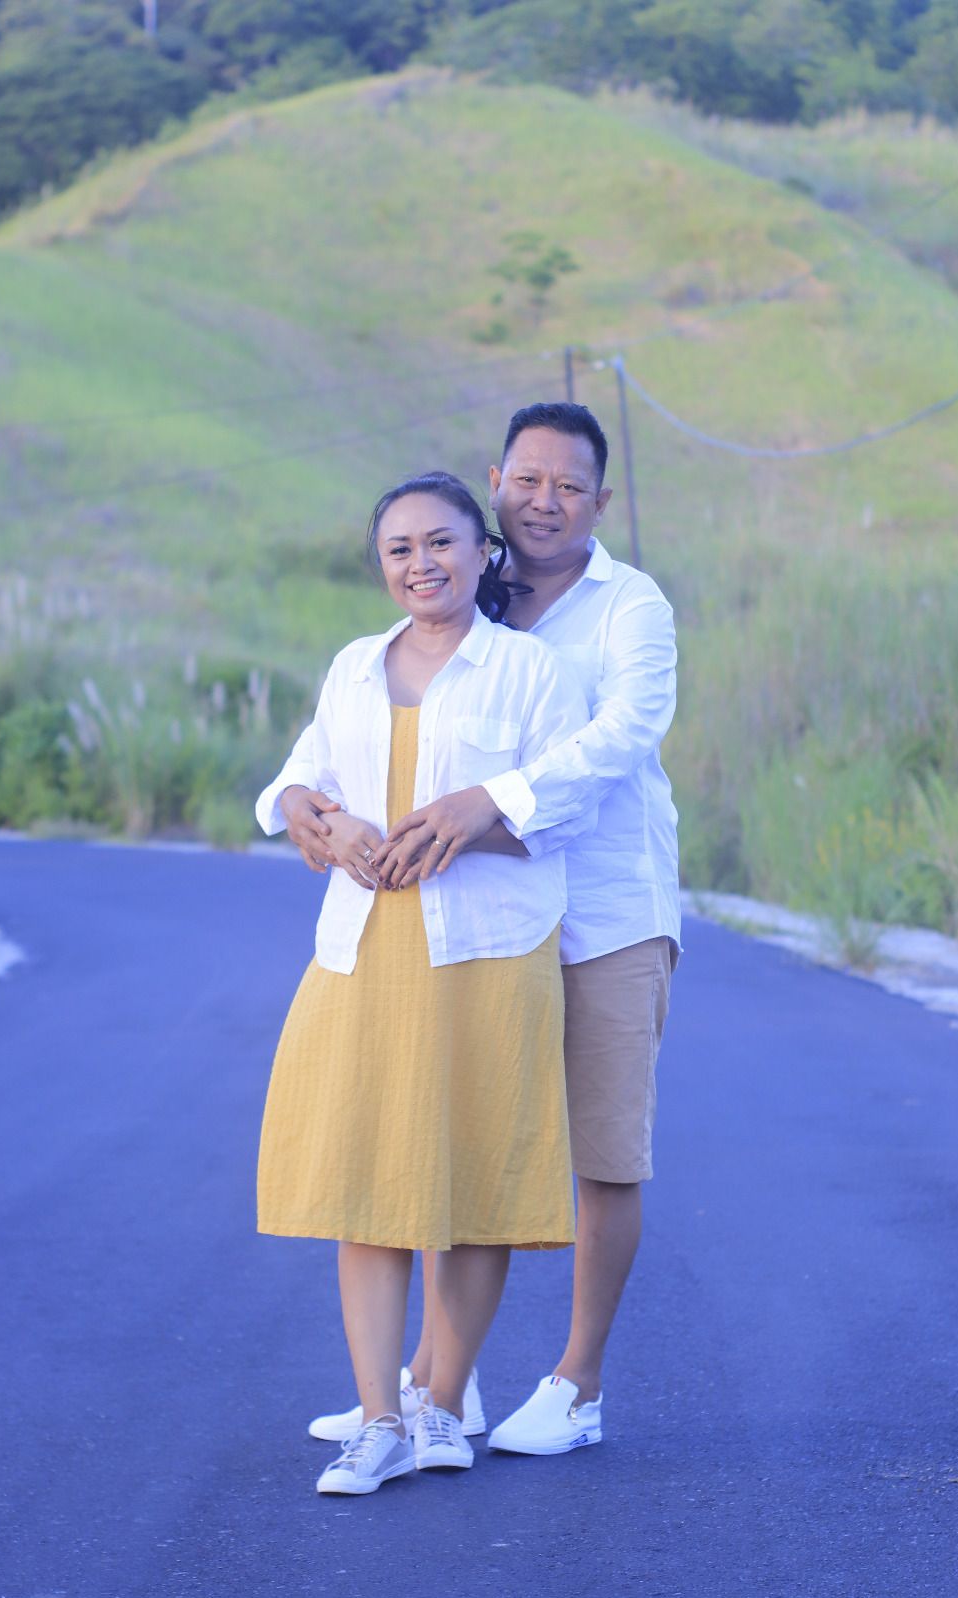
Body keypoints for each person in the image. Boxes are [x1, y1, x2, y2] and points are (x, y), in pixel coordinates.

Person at [294, 405, 681, 1456]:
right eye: (527, 480)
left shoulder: (629, 606)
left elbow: (622, 734)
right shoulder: (465, 586)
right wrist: (321, 812)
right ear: (495, 483)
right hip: (480, 915)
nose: (545, 501)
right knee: (460, 1133)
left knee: (601, 1150)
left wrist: (486, 802)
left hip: (603, 909)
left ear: (601, 500)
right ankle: (437, 1384)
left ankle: (575, 1384)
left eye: (570, 485)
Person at [255, 471, 593, 1496]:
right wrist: (315, 815)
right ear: (381, 564)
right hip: (365, 950)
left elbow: (568, 805)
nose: (420, 563)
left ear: (482, 551)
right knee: (366, 1185)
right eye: (398, 548)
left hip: (487, 952)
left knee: (474, 1186)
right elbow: (295, 780)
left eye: (440, 541)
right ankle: (377, 1421)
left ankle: (439, 1402)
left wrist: (467, 821)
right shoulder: (353, 667)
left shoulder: (527, 669)